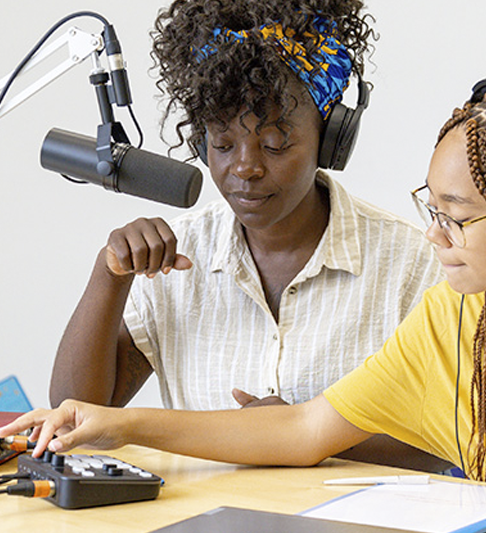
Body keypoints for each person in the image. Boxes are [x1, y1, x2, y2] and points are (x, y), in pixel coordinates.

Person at [7, 74, 486, 526]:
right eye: (433, 208)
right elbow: (306, 427)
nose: (434, 236)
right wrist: (116, 420)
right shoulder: (457, 315)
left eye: (456, 218)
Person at [47, 0, 448, 471]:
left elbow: (448, 439)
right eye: (221, 143)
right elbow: (76, 418)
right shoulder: (175, 258)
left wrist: (309, 431)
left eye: (276, 144)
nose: (245, 167)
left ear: (331, 140)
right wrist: (109, 277)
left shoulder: (412, 263)